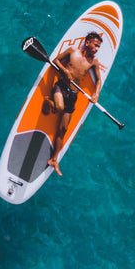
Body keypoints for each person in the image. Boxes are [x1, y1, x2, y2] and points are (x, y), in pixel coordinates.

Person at [47, 32, 103, 175]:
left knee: (63, 129)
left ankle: (54, 159)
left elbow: (98, 80)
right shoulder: (73, 51)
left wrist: (96, 94)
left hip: (73, 95)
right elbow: (56, 60)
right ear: (88, 42)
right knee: (59, 107)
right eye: (95, 45)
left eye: (99, 47)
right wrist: (64, 70)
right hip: (61, 87)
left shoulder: (93, 62)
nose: (96, 49)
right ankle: (49, 102)